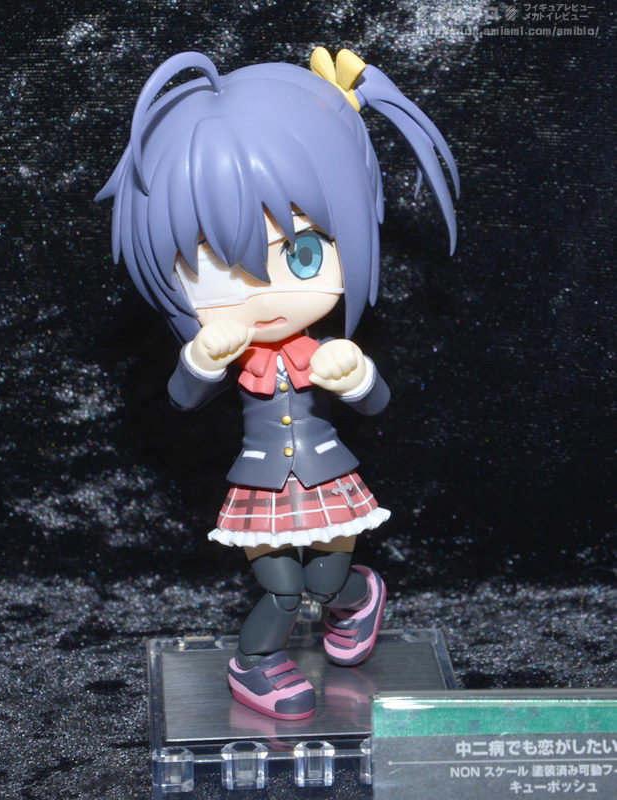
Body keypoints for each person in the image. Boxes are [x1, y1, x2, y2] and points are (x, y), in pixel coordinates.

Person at [96, 47, 458, 719]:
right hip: (260, 483)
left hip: (329, 477)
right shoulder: (229, 348)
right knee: (283, 588)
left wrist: (357, 376)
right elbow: (180, 399)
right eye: (214, 270)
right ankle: (255, 663)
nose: (262, 296)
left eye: (302, 253)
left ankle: (358, 598)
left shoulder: (325, 346)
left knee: (326, 581)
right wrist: (203, 359)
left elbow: (378, 405)